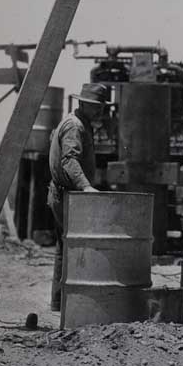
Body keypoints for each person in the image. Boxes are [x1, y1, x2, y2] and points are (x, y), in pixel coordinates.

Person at [47, 82, 110, 311]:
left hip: (63, 193)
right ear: (83, 103)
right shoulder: (75, 126)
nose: (100, 111)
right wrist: (85, 186)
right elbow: (69, 160)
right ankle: (73, 304)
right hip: (67, 195)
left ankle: (60, 302)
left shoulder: (80, 123)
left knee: (65, 247)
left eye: (101, 106)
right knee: (74, 248)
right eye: (96, 107)